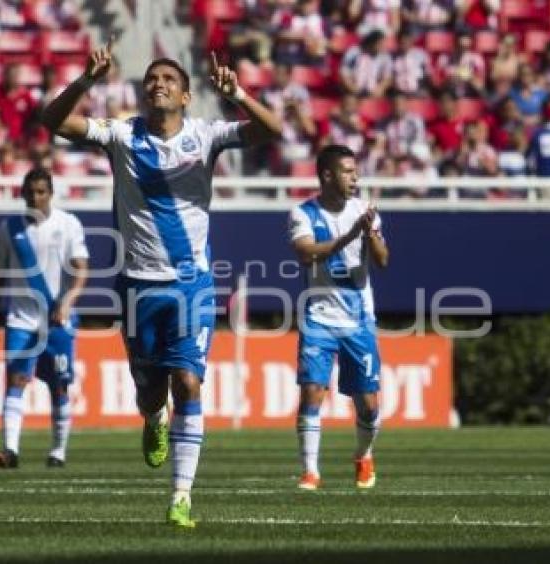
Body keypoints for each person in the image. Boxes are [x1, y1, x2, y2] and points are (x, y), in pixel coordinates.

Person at [41, 39, 282, 527]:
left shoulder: (206, 134)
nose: (159, 84)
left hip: (192, 283)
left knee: (189, 381)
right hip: (136, 286)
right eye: (152, 79)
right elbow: (53, 123)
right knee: (151, 394)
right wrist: (86, 81)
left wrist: (239, 94)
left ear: (187, 96)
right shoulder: (121, 135)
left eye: (169, 79)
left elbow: (273, 130)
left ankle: (181, 496)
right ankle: (153, 419)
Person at [287, 144, 389, 492]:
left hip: (358, 320)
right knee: (312, 391)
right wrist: (350, 235)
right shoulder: (302, 213)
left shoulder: (365, 212)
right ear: (327, 175)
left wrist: (371, 231)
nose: (355, 177)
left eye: (356, 170)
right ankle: (310, 471)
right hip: (318, 317)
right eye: (347, 171)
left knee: (369, 404)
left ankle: (364, 455)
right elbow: (306, 254)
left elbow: (383, 260)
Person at [0, 168, 89, 470]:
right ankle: (10, 451)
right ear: (22, 193)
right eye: (30, 192)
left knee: (59, 387)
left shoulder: (69, 224)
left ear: (51, 193)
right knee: (16, 380)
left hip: (58, 320)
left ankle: (57, 451)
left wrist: (68, 302)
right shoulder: (10, 229)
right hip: (20, 318)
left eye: (41, 191)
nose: (35, 197)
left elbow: (82, 268)